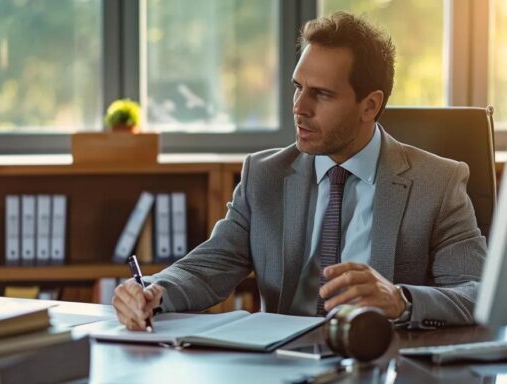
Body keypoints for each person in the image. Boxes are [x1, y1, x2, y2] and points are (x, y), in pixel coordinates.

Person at [114, 11, 487, 331]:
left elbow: (478, 294)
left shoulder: (437, 183)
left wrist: (400, 301)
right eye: (297, 87)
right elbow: (209, 266)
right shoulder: (265, 175)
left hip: (383, 363)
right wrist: (153, 291)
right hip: (283, 364)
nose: (299, 107)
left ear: (370, 105)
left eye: (321, 94)